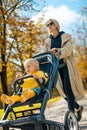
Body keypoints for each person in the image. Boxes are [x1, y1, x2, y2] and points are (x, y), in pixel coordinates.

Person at [39, 18, 85, 121]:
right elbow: (44, 53)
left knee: (68, 90)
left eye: (51, 24)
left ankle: (71, 119)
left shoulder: (65, 36)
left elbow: (68, 50)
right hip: (55, 69)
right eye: (47, 25)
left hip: (65, 66)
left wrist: (57, 51)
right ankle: (78, 107)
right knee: (63, 93)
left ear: (55, 25)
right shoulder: (48, 41)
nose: (49, 26)